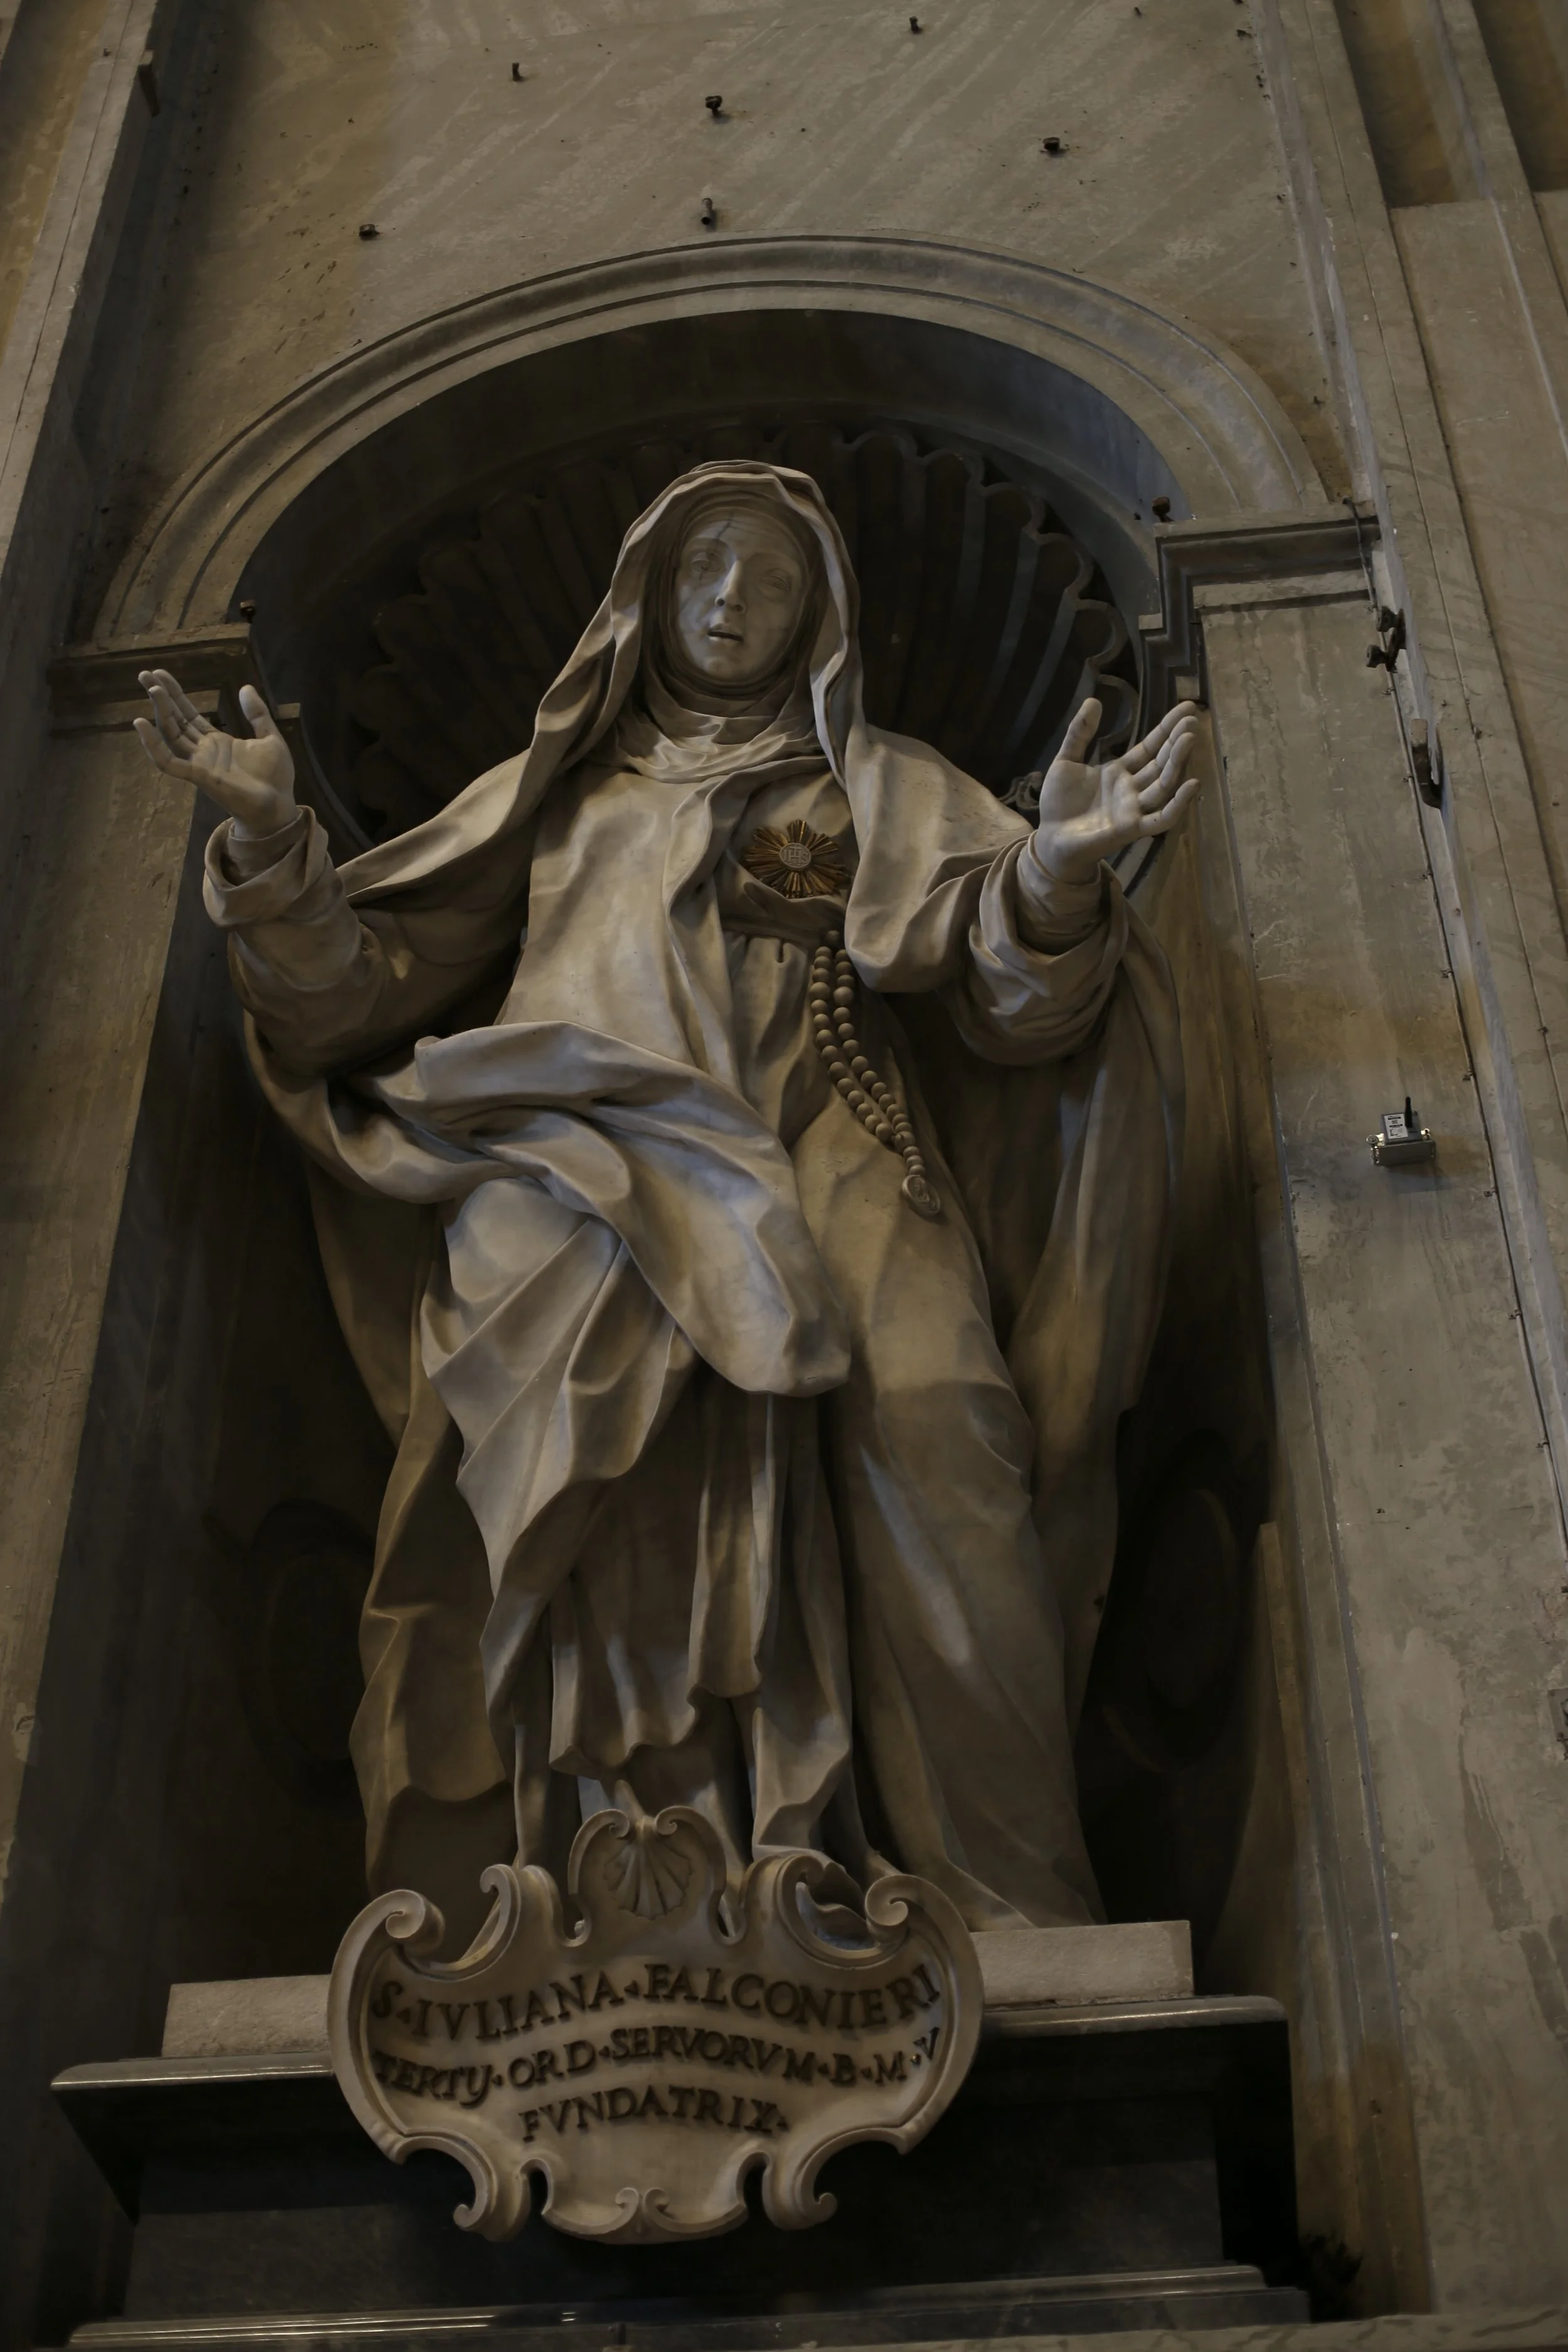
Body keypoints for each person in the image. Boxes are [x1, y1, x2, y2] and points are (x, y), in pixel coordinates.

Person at [135, 460, 1199, 1943]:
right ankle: (552, 1907)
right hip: (582, 1170)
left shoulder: (877, 790)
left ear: (817, 618)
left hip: (834, 1146)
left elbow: (1019, 1011)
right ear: (643, 596)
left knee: (944, 1423)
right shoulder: (558, 801)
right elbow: (346, 1001)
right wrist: (266, 850)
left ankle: (1001, 1904)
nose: (730, 603)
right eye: (705, 569)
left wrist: (1061, 876)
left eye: (770, 579)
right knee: (534, 1487)